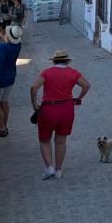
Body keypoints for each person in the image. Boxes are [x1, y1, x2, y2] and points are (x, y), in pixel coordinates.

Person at [30, 50, 90, 180]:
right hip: (67, 109)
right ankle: (58, 170)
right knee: (61, 140)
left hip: (49, 109)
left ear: (53, 61)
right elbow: (86, 85)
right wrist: (78, 98)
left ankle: (49, 167)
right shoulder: (73, 73)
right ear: (67, 61)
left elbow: (34, 88)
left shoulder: (46, 73)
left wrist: (34, 104)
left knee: (44, 140)